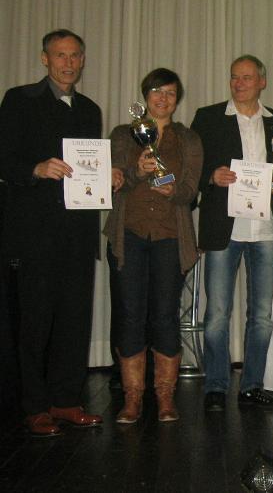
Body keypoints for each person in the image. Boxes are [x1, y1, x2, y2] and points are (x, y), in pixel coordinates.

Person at [0, 29, 103, 436]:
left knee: (74, 320)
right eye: (60, 55)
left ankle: (66, 401)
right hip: (34, 234)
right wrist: (36, 168)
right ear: (45, 59)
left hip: (78, 233)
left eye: (75, 55)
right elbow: (4, 158)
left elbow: (89, 168)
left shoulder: (90, 109)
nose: (68, 63)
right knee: (35, 322)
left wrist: (107, 175)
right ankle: (34, 406)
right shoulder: (19, 100)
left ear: (83, 60)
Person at [191, 55, 273, 412]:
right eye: (234, 77)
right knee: (217, 314)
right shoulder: (208, 118)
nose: (239, 83)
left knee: (262, 316)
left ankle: (252, 385)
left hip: (265, 228)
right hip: (225, 227)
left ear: (262, 82)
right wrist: (211, 176)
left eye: (247, 77)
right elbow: (192, 167)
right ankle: (216, 386)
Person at [104, 68, 202, 422]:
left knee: (164, 316)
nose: (163, 98)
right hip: (128, 236)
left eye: (170, 93)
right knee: (130, 316)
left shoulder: (188, 139)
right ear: (146, 96)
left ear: (177, 100)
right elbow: (112, 181)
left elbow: (190, 190)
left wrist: (173, 191)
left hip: (170, 238)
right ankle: (132, 398)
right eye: (157, 91)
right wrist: (136, 173)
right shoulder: (122, 134)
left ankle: (165, 397)